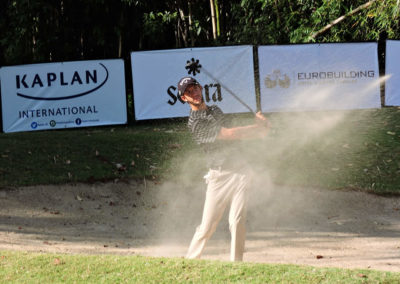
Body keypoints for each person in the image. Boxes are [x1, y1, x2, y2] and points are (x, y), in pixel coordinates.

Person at [177, 76, 269, 262]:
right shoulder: (195, 123)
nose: (193, 93)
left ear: (201, 88)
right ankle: (190, 261)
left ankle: (237, 265)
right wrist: (257, 128)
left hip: (242, 170)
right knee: (207, 226)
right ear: (184, 98)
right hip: (219, 176)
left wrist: (261, 130)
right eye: (188, 92)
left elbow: (236, 132)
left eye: (195, 88)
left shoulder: (215, 110)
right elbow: (229, 134)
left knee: (237, 221)